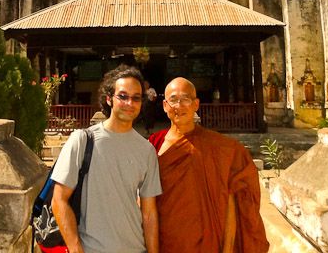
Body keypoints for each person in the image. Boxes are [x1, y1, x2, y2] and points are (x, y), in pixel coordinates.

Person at [148, 77, 269, 253]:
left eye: (186, 99)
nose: (179, 105)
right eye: (173, 99)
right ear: (165, 106)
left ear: (196, 104)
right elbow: (145, 203)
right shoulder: (154, 145)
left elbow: (232, 204)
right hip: (166, 241)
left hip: (210, 244)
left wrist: (227, 249)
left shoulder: (223, 149)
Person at [52, 65, 161, 253]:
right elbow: (59, 200)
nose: (130, 103)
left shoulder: (147, 150)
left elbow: (149, 213)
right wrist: (76, 249)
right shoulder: (83, 140)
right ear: (109, 99)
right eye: (123, 96)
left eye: (136, 98)